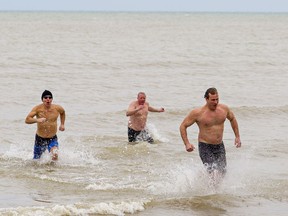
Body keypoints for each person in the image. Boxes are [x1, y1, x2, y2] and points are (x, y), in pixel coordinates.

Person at [180, 87, 241, 180]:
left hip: (219, 145)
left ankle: (215, 191)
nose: (215, 102)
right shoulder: (198, 113)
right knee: (213, 172)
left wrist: (237, 136)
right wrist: (187, 143)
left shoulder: (224, 109)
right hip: (205, 146)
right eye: (213, 100)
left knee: (222, 172)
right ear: (206, 99)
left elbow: (232, 119)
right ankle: (211, 193)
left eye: (217, 99)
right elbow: (183, 126)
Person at [25, 90, 65, 161]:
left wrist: (62, 124)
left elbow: (63, 112)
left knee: (55, 155)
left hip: (52, 138)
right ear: (42, 99)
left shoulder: (57, 108)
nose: (48, 99)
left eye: (50, 97)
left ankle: (52, 171)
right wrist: (37, 120)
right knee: (36, 160)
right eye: (45, 97)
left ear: (52, 99)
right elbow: (27, 120)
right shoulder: (37, 109)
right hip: (40, 138)